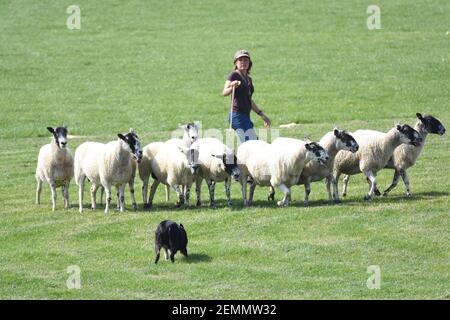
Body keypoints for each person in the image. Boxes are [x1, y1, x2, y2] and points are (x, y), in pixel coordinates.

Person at [223, 49, 271, 142]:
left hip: (245, 116)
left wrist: (262, 115)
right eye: (240, 60)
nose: (243, 62)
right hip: (236, 116)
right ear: (236, 63)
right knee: (251, 144)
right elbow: (224, 92)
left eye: (245, 60)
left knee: (253, 143)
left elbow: (249, 100)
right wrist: (233, 86)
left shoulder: (248, 79)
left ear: (249, 63)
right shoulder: (233, 75)